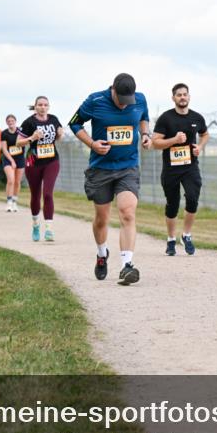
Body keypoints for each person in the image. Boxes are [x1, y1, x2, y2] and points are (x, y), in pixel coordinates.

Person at [68, 73, 151, 283]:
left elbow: (143, 118)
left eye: (127, 102)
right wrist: (92, 144)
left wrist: (145, 134)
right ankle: (102, 254)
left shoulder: (139, 99)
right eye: (120, 101)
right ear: (113, 90)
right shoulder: (95, 101)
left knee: (127, 212)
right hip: (101, 169)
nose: (124, 106)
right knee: (102, 219)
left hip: (128, 167)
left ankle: (127, 266)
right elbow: (75, 123)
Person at [151, 82, 209, 256]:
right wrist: (174, 140)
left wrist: (200, 146)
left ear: (189, 97)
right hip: (171, 169)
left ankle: (186, 235)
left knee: (192, 198)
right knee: (172, 204)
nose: (182, 97)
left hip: (190, 166)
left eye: (185, 94)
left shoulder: (197, 118)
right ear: (173, 98)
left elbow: (205, 134)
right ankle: (170, 239)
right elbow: (155, 143)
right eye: (179, 95)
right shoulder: (166, 118)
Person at [18, 97, 65, 242]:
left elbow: (57, 137)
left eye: (45, 105)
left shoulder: (54, 119)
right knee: (35, 195)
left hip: (51, 160)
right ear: (35, 106)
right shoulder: (29, 122)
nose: (43, 107)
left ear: (49, 107)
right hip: (33, 161)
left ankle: (49, 229)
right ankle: (36, 224)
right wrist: (32, 138)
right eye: (40, 105)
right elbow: (18, 143)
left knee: (48, 194)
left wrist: (60, 134)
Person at [0, 114, 25, 213]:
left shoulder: (20, 131)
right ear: (6, 122)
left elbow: (26, 141)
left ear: (15, 121)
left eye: (12, 121)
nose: (10, 122)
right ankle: (9, 202)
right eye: (8, 121)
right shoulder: (4, 133)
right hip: (8, 159)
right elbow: (4, 149)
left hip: (20, 159)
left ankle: (14, 202)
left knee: (17, 182)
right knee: (11, 180)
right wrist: (12, 161)